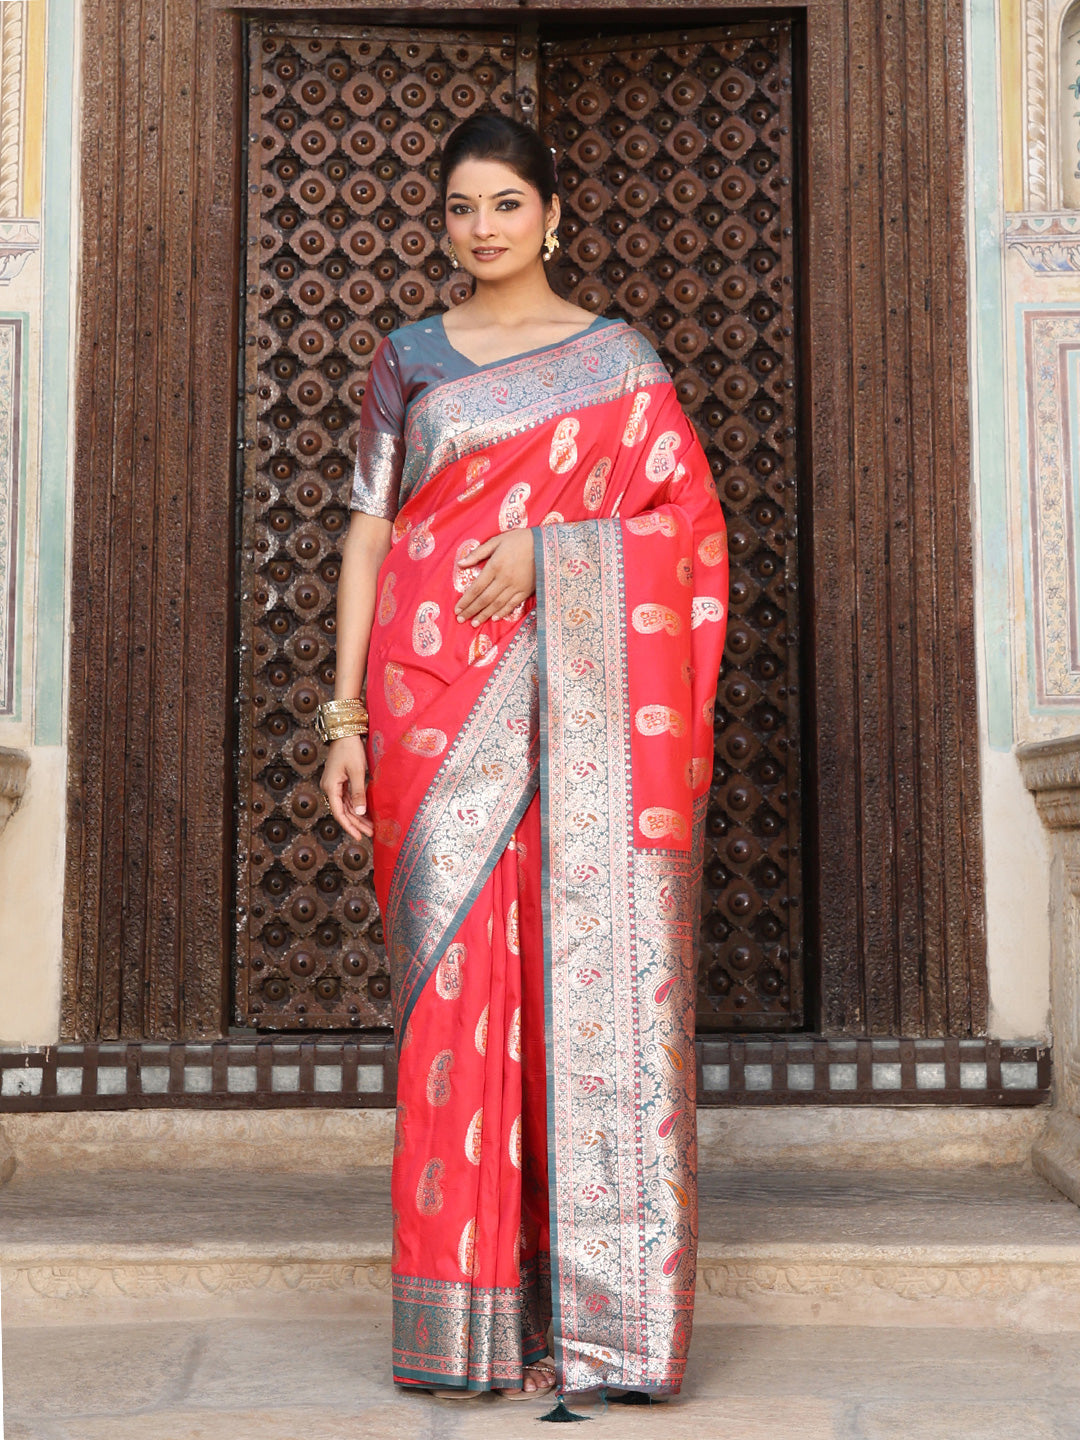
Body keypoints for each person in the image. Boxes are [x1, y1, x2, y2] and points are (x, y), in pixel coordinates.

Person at [319, 112, 729, 1408]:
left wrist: (555, 555)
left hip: (580, 703)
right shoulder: (407, 358)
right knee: (450, 993)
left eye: (505, 203)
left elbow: (689, 531)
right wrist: (343, 717)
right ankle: (465, 1325)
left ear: (553, 214)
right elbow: (371, 535)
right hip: (428, 703)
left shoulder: (620, 363)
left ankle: (600, 1320)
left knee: (577, 976)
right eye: (461, 207)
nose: (482, 227)